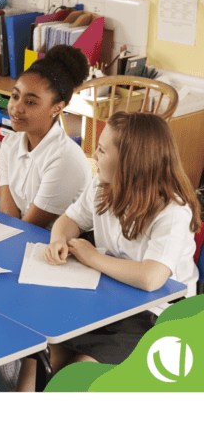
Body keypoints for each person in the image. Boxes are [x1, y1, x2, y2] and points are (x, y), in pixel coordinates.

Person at [17, 111, 200, 391]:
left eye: (102, 150)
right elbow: (70, 220)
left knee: (75, 379)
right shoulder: (103, 185)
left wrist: (93, 258)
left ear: (130, 163)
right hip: (104, 298)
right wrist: (58, 240)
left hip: (152, 316)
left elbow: (152, 278)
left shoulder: (173, 210)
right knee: (38, 359)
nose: (94, 155)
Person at [0, 44, 92, 229]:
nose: (17, 108)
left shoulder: (65, 159)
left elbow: (30, 226)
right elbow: (7, 216)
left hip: (59, 247)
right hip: (24, 236)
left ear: (57, 108)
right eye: (15, 96)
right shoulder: (10, 144)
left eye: (30, 102)